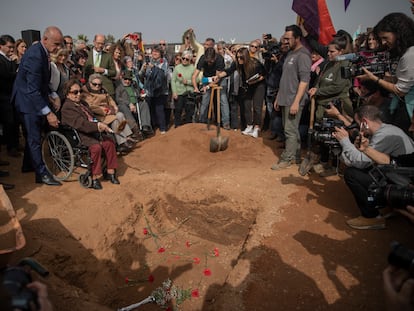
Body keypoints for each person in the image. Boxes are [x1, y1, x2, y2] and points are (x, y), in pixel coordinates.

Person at [332, 104, 414, 229]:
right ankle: (387, 206)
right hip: (399, 174)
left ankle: (372, 217)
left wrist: (344, 142)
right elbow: (379, 158)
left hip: (405, 185)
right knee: (369, 167)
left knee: (352, 174)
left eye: (358, 123)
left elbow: (360, 162)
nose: (410, 128)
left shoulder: (384, 136)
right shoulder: (388, 129)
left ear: (364, 122)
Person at [11, 26, 63, 186]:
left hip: (34, 97)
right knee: (34, 137)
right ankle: (41, 174)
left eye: (60, 44)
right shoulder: (35, 55)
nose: (58, 48)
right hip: (27, 101)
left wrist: (53, 95)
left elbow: (41, 82)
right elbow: (32, 89)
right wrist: (48, 113)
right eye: (56, 44)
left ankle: (28, 165)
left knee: (34, 135)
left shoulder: (44, 52)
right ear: (45, 40)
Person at [357, 13, 414, 135]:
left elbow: (400, 90)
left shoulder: (410, 55)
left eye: (385, 37)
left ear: (398, 33)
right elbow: (404, 80)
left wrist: (374, 79)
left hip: (408, 112)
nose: (383, 42)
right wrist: (386, 78)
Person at [307, 36, 353, 176]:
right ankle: (324, 162)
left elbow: (339, 87)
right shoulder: (328, 64)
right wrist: (315, 88)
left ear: (341, 51)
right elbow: (319, 80)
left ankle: (335, 167)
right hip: (322, 105)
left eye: (332, 51)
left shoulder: (345, 65)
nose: (328, 54)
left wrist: (318, 91)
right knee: (324, 136)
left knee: (335, 137)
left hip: (337, 107)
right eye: (328, 51)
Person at [61, 79, 119, 190]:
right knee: (96, 147)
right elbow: (81, 124)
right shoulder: (67, 108)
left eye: (79, 91)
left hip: (92, 131)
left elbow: (91, 117)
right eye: (75, 92)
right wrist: (97, 126)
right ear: (67, 94)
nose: (78, 94)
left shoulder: (82, 103)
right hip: (80, 134)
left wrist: (101, 124)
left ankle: (110, 171)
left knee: (109, 142)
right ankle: (95, 176)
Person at [271, 25, 311, 170]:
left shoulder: (303, 55)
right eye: (285, 38)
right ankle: (295, 156)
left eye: (288, 38)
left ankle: (287, 159)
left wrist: (296, 102)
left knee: (289, 130)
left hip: (294, 99)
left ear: (297, 38)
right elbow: (285, 79)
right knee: (291, 129)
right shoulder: (290, 54)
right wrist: (278, 98)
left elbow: (304, 81)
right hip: (285, 98)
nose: (285, 41)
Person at [81, 74, 135, 152]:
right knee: (115, 119)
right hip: (98, 115)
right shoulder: (86, 93)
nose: (97, 86)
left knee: (120, 114)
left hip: (108, 111)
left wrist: (115, 106)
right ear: (90, 83)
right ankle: (121, 143)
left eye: (99, 84)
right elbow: (91, 106)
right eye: (94, 84)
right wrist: (105, 111)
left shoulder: (103, 90)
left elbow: (110, 99)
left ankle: (127, 137)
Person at [192, 45, 230, 129]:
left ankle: (226, 123)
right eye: (207, 61)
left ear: (215, 57)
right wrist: (196, 88)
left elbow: (217, 78)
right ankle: (202, 122)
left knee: (223, 99)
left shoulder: (219, 59)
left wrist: (208, 87)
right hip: (207, 78)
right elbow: (194, 76)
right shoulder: (202, 59)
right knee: (205, 100)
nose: (209, 63)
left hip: (219, 78)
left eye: (211, 61)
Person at [139, 45, 169, 134]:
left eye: (157, 52)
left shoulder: (163, 62)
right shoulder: (148, 61)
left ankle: (162, 128)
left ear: (161, 54)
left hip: (161, 90)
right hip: (149, 90)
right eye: (153, 52)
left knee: (159, 109)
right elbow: (141, 75)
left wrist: (154, 68)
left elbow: (163, 75)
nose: (154, 53)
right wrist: (144, 69)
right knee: (149, 109)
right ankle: (152, 127)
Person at [115, 70, 152, 137]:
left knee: (144, 104)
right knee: (124, 108)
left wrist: (140, 96)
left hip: (136, 103)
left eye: (129, 79)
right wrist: (129, 104)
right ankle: (134, 128)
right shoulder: (119, 88)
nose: (127, 81)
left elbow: (137, 94)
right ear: (122, 78)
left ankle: (145, 126)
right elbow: (118, 99)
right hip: (126, 105)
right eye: (125, 79)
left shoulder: (133, 86)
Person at [84, 34, 117, 98]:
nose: (100, 45)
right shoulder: (87, 55)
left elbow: (114, 72)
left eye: (102, 44)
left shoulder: (108, 56)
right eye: (98, 43)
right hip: (90, 90)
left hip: (106, 89)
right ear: (94, 42)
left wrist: (104, 71)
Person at [171, 50, 197, 127]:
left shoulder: (193, 68)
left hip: (189, 93)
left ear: (190, 60)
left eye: (187, 59)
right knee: (178, 110)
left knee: (189, 111)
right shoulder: (177, 68)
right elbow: (173, 81)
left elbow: (197, 80)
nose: (184, 60)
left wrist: (188, 82)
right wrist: (174, 92)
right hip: (179, 93)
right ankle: (177, 126)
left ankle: (188, 127)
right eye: (183, 58)